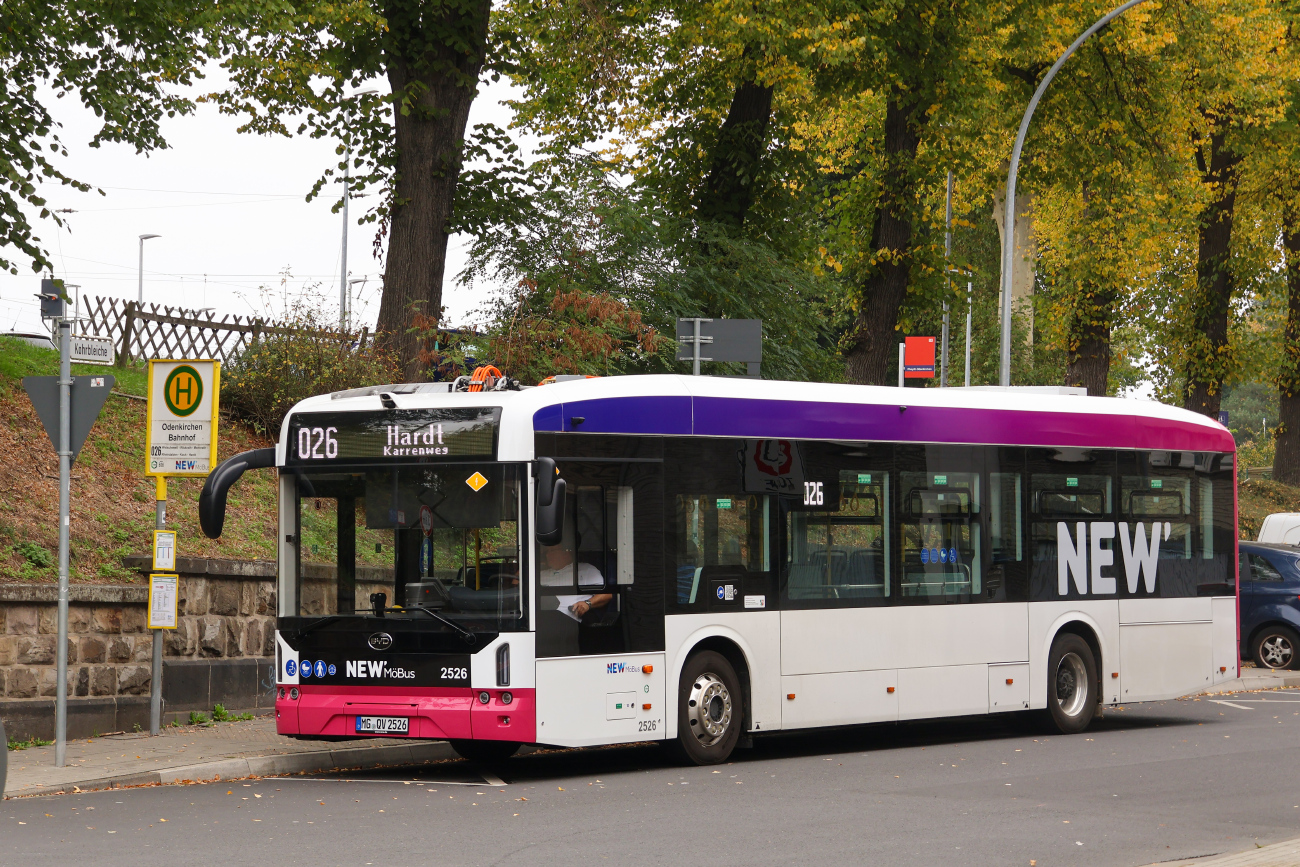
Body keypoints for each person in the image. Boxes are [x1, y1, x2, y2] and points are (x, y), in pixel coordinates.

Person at [539, 543, 612, 619]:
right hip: (541, 619)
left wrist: (587, 604)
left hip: (572, 622)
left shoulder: (587, 570)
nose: (547, 555)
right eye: (547, 552)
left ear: (566, 551)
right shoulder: (540, 575)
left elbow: (606, 594)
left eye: (552, 551)